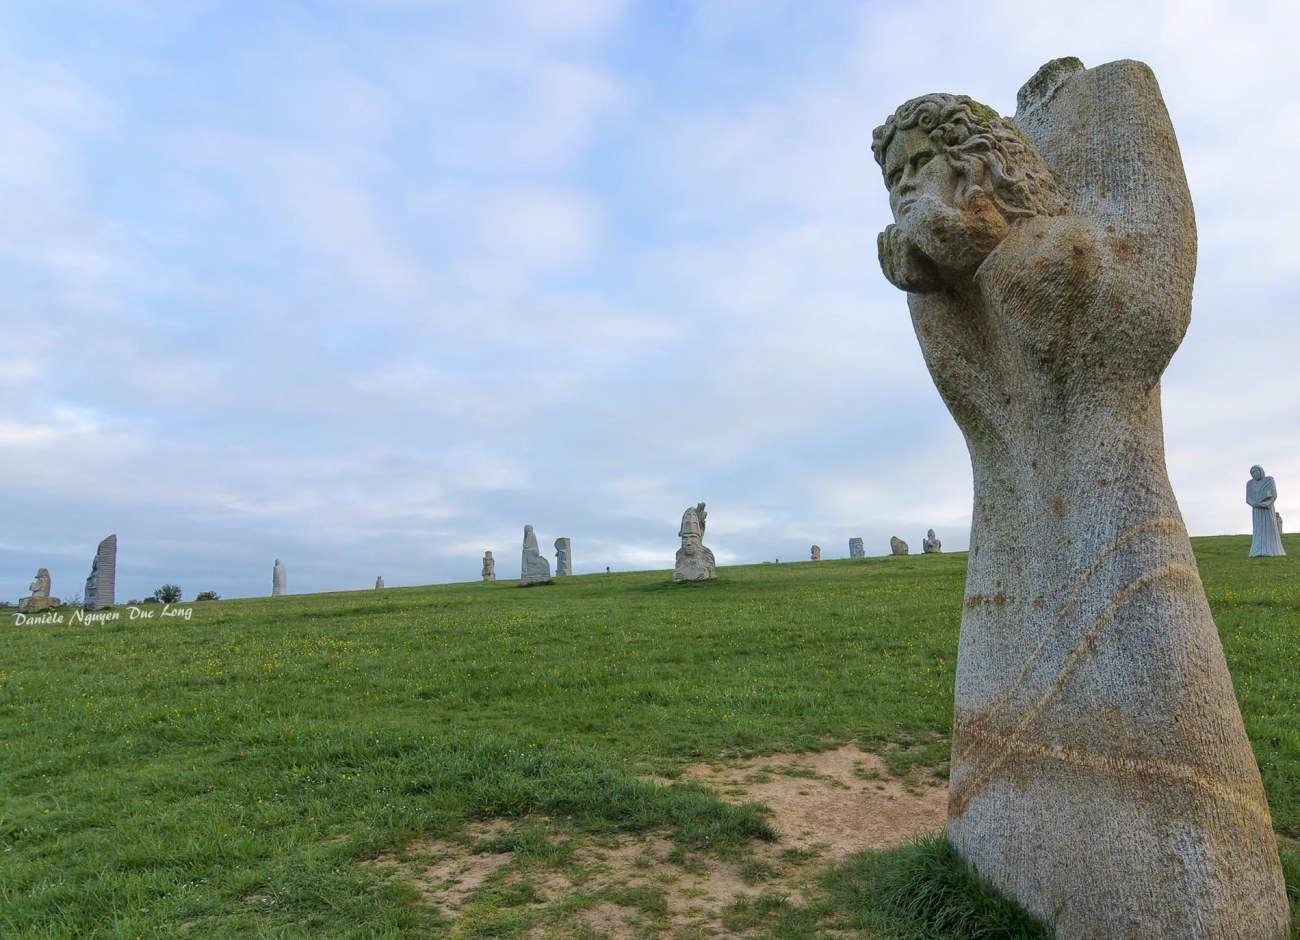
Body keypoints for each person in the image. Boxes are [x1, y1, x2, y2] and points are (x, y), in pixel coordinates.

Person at [1246, 465, 1285, 557]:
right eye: (1253, 473)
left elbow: (1273, 494)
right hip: (1257, 511)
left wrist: (1267, 503)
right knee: (1258, 529)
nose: (1255, 474)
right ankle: (1257, 550)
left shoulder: (1269, 480)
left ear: (1261, 471)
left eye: (1256, 472)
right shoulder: (1250, 483)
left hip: (1267, 509)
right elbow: (1248, 498)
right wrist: (1255, 504)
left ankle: (1272, 549)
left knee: (1269, 527)